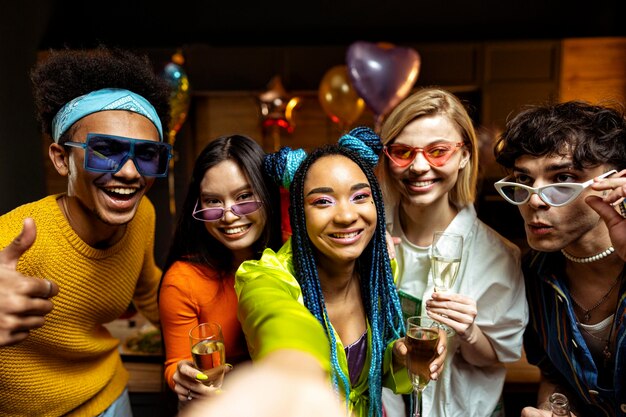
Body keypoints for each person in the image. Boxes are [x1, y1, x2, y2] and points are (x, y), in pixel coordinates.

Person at [0, 46, 171, 416]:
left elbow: (148, 290)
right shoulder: (16, 236)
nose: (129, 171)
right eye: (106, 150)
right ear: (62, 159)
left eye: (146, 155)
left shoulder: (142, 215)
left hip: (109, 398)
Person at [235, 126, 448, 417]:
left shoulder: (379, 272)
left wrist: (401, 358)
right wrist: (293, 360)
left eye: (360, 197)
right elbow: (278, 324)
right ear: (299, 214)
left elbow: (364, 375)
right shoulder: (265, 279)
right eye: (323, 201)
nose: (347, 216)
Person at [375, 87, 528, 417]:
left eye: (438, 151)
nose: (418, 166)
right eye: (402, 151)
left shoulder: (498, 255)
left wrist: (468, 332)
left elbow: (498, 355)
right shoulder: (367, 237)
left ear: (465, 155)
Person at [493, 100, 626, 417]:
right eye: (524, 180)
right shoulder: (531, 273)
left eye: (563, 178)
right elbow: (555, 372)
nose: (535, 200)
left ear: (615, 181)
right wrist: (552, 409)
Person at [158, 134, 282, 404]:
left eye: (244, 196)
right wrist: (182, 376)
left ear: (267, 193)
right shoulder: (183, 280)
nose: (228, 215)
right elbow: (176, 364)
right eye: (213, 201)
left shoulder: (293, 258)